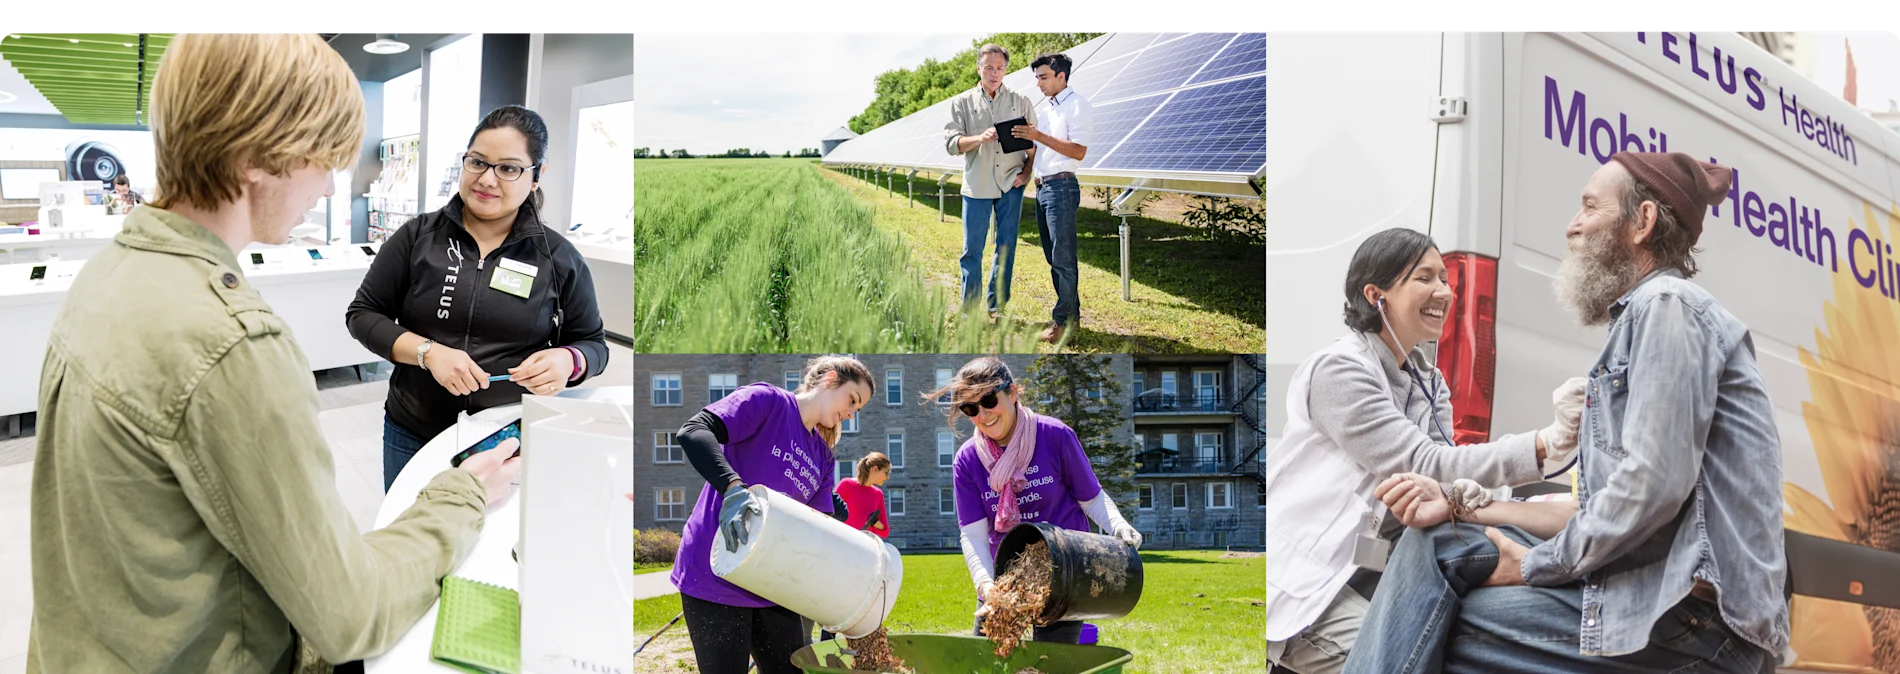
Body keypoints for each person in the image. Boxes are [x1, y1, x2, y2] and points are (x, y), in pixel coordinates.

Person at [26, 32, 522, 673]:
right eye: (324, 160)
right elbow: (350, 614)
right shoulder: (231, 342)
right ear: (263, 154)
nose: (325, 188)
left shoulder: (111, 273)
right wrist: (461, 496)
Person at [1340, 153, 1787, 673]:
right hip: (1657, 602)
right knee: (1436, 541)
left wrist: (1532, 565)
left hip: (1692, 624)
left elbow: (1652, 485)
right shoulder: (1643, 320)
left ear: (1641, 222)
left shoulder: (1668, 307)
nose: (1572, 227)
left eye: (1589, 207)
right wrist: (1461, 508)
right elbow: (1599, 510)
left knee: (1432, 619)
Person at [1264, 227, 1587, 674]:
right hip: (1311, 589)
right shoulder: (1339, 372)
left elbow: (1443, 481)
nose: (1443, 291)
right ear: (1377, 294)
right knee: (1417, 658)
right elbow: (1425, 463)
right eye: (1425, 278)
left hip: (1375, 579)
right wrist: (1545, 443)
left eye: (1446, 278)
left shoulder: (1426, 380)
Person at [346, 104, 608, 491]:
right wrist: (428, 353)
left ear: (536, 177)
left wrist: (569, 360)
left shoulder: (558, 258)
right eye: (478, 162)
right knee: (410, 541)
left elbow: (593, 344)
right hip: (413, 429)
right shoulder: (418, 237)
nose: (488, 179)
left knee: (489, 544)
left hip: (507, 437)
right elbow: (364, 314)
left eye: (509, 168)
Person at [670, 356, 873, 674]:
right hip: (716, 574)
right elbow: (694, 431)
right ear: (830, 379)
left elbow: (813, 533)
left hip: (773, 585)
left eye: (857, 410)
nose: (850, 413)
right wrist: (733, 488)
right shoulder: (769, 402)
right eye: (852, 400)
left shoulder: (822, 457)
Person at [936, 356, 1141, 644]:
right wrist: (986, 584)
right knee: (985, 660)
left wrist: (1117, 525)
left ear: (1012, 393)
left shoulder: (1055, 435)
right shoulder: (968, 460)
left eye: (989, 401)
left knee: (1050, 663)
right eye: (971, 408)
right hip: (1005, 577)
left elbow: (1091, 499)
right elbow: (973, 535)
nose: (983, 414)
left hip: (1066, 571)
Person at [944, 43, 1036, 319]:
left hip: (1011, 183)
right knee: (972, 249)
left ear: (1005, 69)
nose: (994, 73)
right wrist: (978, 138)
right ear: (979, 68)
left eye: (999, 68)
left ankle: (997, 307)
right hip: (977, 185)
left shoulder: (1020, 101)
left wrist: (1027, 173)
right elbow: (952, 144)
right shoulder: (961, 102)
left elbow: (1034, 143)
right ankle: (970, 312)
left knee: (1006, 247)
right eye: (988, 68)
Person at [1011, 52, 1093, 344]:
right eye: (1036, 78)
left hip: (1062, 187)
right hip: (1044, 188)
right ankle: (1072, 319)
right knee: (1053, 257)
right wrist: (1026, 171)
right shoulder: (1047, 109)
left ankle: (1062, 325)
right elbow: (1040, 149)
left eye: (1043, 77)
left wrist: (1038, 135)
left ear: (1061, 76)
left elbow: (1078, 151)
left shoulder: (1077, 105)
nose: (1038, 84)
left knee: (1063, 259)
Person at [814, 452, 892, 642]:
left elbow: (885, 531)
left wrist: (873, 522)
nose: (887, 477)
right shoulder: (847, 486)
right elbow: (831, 514)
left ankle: (860, 642)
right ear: (874, 469)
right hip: (839, 552)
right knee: (835, 598)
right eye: (886, 472)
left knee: (855, 599)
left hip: (863, 556)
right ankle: (827, 641)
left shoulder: (877, 495)